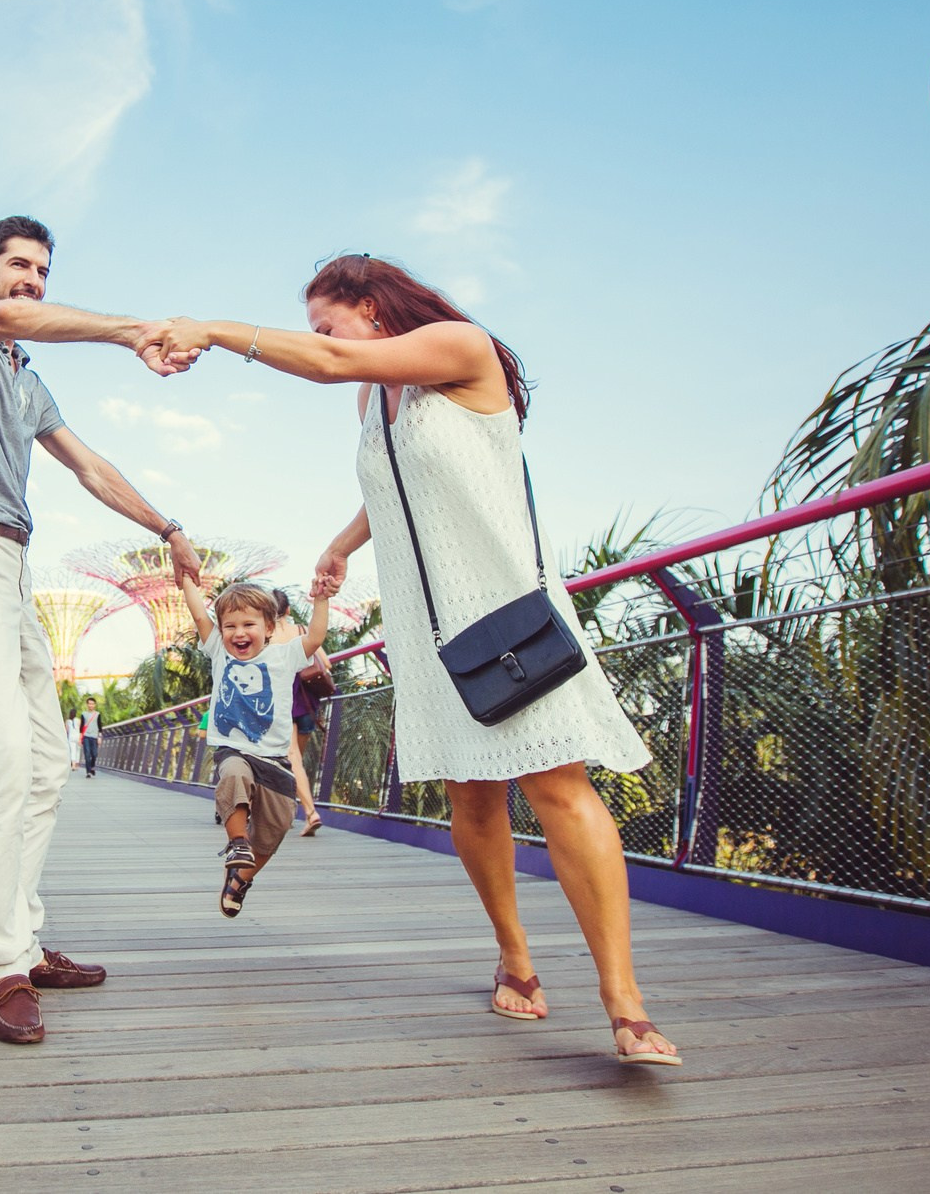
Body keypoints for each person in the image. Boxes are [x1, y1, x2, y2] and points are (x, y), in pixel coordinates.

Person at [141, 254, 682, 1067]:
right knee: (472, 799)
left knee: (558, 787)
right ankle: (517, 961)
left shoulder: (461, 347)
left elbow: (329, 362)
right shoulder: (376, 398)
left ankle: (625, 1002)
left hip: (504, 614)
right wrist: (342, 543)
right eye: (320, 327)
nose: (324, 338)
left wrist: (214, 331)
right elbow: (393, 478)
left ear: (368, 306)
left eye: (329, 321)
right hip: (429, 638)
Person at [0, 215, 203, 1046]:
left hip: (12, 567)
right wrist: (126, 330)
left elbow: (89, 466)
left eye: (41, 269)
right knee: (2, 751)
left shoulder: (26, 378)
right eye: (19, 266)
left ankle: (24, 942)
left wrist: (167, 527)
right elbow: (1, 321)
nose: (31, 279)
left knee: (48, 759)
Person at [177, 575, 332, 917]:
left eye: (249, 624)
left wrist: (321, 600)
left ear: (270, 627)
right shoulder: (218, 650)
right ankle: (236, 844)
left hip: (274, 758)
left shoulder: (284, 656)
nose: (239, 633)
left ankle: (240, 880)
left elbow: (317, 637)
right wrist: (187, 579)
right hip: (233, 748)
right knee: (232, 775)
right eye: (229, 626)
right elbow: (200, 615)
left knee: (276, 826)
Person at [269, 588, 327, 836]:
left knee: (293, 760)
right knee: (295, 760)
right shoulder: (301, 632)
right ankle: (291, 807)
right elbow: (327, 661)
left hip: (286, 701)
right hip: (308, 703)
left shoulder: (268, 637)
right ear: (289, 610)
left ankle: (310, 812)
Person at [77, 696, 102, 778]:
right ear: (87, 705)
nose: (91, 705)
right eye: (89, 704)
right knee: (87, 754)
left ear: (95, 705)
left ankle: (92, 767)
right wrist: (80, 738)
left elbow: (100, 726)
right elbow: (81, 727)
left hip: (94, 736)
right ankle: (88, 772)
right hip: (86, 736)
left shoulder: (97, 714)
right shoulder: (83, 714)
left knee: (94, 754)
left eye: (92, 704)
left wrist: (99, 737)